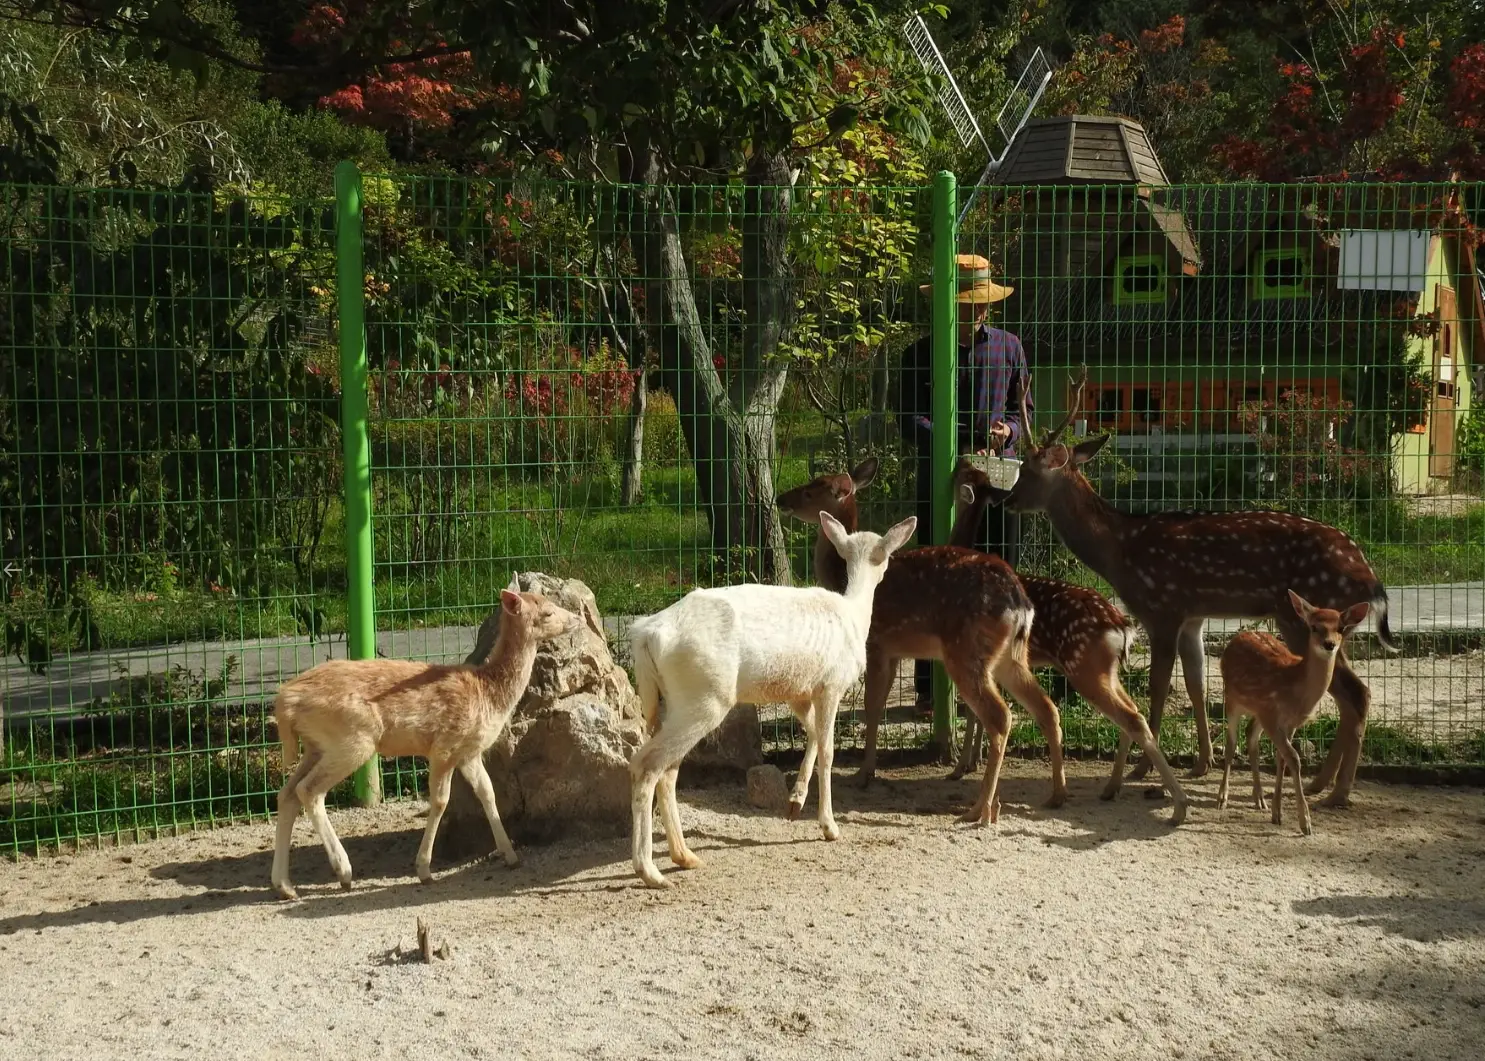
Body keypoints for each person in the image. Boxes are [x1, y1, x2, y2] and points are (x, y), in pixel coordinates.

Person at [897, 254, 1031, 713]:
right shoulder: (918, 354)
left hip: (998, 478)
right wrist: (957, 441)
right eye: (964, 305)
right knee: (938, 578)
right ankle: (931, 690)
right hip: (942, 481)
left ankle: (997, 679)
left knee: (1000, 574)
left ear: (988, 306)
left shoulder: (1010, 347)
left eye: (979, 305)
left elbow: (1020, 413)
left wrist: (1007, 433)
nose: (974, 313)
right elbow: (908, 420)